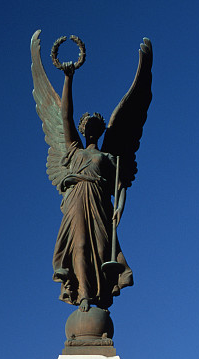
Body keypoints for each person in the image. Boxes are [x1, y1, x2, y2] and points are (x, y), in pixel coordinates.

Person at [53, 64, 133, 311]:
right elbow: (65, 115)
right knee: (79, 246)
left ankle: (102, 294)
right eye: (85, 125)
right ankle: (84, 295)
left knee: (101, 249)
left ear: (98, 131)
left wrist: (119, 208)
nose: (88, 129)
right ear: (82, 129)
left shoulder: (109, 159)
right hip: (78, 197)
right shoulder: (74, 150)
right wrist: (69, 78)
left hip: (99, 201)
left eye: (93, 126)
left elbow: (120, 186)